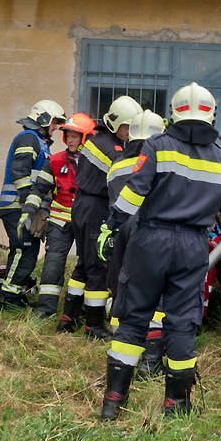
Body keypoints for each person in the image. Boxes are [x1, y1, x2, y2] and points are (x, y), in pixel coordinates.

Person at [98, 83, 221, 419]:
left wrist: (111, 226)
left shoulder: (157, 147)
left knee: (133, 320)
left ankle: (113, 402)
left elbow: (134, 194)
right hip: (193, 246)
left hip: (151, 241)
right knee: (181, 324)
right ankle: (176, 406)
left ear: (173, 115)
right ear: (212, 116)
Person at [61, 95, 141, 338]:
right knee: (99, 266)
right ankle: (93, 325)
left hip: (83, 205)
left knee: (83, 265)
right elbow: (126, 175)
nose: (130, 132)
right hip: (96, 207)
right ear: (116, 124)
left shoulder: (98, 140)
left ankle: (68, 317)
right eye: (128, 127)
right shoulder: (112, 149)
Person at [104, 110, 166, 367]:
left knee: (124, 287)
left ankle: (122, 343)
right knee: (158, 292)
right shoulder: (162, 160)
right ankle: (151, 358)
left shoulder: (116, 165)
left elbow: (114, 201)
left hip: (121, 229)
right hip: (153, 230)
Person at [20, 112, 96, 318]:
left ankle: (82, 311)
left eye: (75, 136)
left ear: (86, 138)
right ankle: (46, 309)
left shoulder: (97, 163)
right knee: (53, 264)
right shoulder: (55, 161)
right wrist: (29, 210)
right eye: (68, 135)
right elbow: (40, 189)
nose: (70, 139)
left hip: (87, 222)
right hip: (59, 221)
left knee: (88, 265)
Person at [0, 99, 67, 312]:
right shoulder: (28, 138)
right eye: (54, 122)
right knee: (23, 251)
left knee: (26, 251)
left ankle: (14, 294)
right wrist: (32, 206)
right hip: (17, 207)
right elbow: (20, 173)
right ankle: (8, 299)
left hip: (23, 207)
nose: (55, 128)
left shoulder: (39, 142)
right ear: (43, 119)